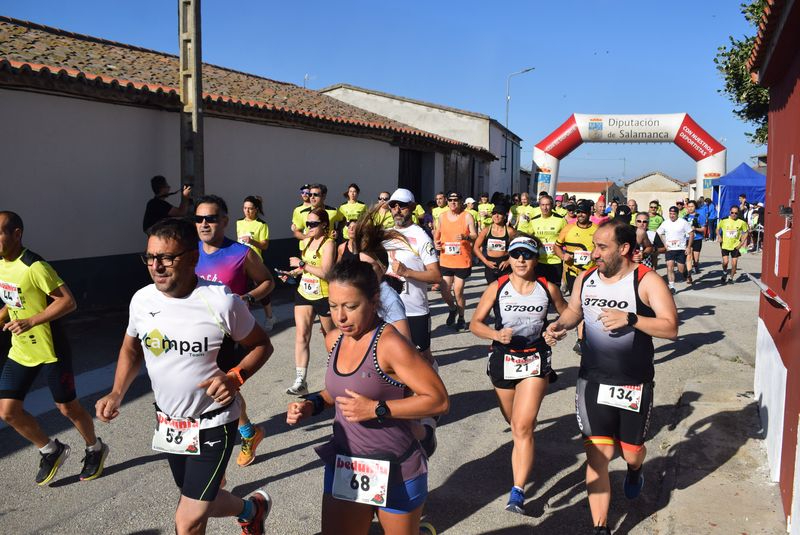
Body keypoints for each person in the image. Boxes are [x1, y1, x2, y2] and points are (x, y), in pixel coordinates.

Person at [96, 217, 273, 535]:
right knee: (200, 501)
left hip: (213, 422)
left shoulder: (221, 302)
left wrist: (235, 377)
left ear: (193, 258)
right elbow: (131, 349)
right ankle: (251, 509)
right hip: (170, 424)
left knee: (187, 520)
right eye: (150, 257)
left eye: (166, 257)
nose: (156, 266)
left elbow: (261, 345)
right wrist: (116, 392)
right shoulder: (142, 300)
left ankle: (248, 510)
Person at [286, 259, 449, 535]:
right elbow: (340, 392)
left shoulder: (390, 344)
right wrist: (312, 404)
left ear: (374, 301)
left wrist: (377, 409)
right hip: (348, 464)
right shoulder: (334, 340)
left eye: (350, 307)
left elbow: (439, 400)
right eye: (334, 306)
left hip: (396, 466)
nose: (340, 317)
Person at [544, 218, 678, 535]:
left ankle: (635, 469)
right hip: (592, 379)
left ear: (625, 248)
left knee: (631, 451)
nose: (594, 253)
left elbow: (671, 328)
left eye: (602, 247)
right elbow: (576, 309)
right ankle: (600, 527)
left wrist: (631, 318)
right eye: (594, 245)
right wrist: (560, 326)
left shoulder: (647, 281)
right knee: (598, 455)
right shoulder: (587, 279)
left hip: (633, 382)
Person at [0, 211, 108, 485]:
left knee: (67, 409)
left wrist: (31, 321)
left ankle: (95, 448)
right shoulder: (2, 263)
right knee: (8, 412)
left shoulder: (34, 266)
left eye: (0, 232)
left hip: (50, 349)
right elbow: (15, 301)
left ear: (16, 234)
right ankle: (50, 449)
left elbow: (68, 302)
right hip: (21, 350)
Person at [470, 236, 566, 514]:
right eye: (516, 255)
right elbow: (475, 323)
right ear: (509, 258)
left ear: (536, 258)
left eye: (527, 255)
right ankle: (523, 450)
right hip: (503, 359)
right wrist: (495, 334)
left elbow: (567, 317)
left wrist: (555, 330)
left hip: (535, 359)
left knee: (523, 426)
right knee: (514, 423)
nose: (521, 260)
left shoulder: (547, 287)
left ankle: (518, 491)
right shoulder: (497, 287)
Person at [195, 196, 275, 467]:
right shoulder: (188, 252)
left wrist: (248, 298)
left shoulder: (241, 253)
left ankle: (221, 453)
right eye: (199, 219)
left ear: (225, 221)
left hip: (229, 334)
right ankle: (247, 433)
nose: (204, 224)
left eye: (211, 218)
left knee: (221, 388)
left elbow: (267, 282)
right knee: (214, 389)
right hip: (194, 334)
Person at [284, 208, 336, 395]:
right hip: (304, 293)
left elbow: (327, 273)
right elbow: (304, 268)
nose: (309, 227)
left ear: (323, 224)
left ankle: (338, 375)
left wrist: (302, 264)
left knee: (331, 337)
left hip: (324, 295)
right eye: (308, 223)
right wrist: (291, 273)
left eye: (313, 224)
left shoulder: (329, 244)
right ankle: (300, 380)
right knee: (302, 335)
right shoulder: (306, 241)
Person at [435, 191, 477, 330]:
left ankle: (461, 317)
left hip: (462, 260)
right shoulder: (442, 216)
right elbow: (438, 233)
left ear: (461, 201)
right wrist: (436, 243)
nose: (453, 202)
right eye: (450, 200)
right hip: (446, 259)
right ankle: (452, 309)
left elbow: (474, 235)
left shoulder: (467, 216)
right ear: (447, 201)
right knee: (445, 290)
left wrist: (466, 237)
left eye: (456, 200)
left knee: (458, 291)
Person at [237, 195, 274, 331]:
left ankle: (270, 317)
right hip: (240, 262)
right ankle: (244, 321)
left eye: (250, 209)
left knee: (261, 291)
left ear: (256, 210)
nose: (247, 211)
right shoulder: (238, 222)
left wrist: (251, 241)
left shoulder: (261, 225)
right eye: (245, 208)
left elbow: (264, 246)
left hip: (256, 263)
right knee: (242, 292)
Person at [473, 203, 517, 284]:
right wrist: (485, 261)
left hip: (505, 265)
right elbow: (476, 247)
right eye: (494, 213)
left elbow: (517, 248)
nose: (496, 216)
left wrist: (509, 261)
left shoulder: (510, 231)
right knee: (492, 290)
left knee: (504, 291)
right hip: (490, 264)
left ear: (504, 216)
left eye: (499, 213)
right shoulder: (486, 230)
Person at [529, 195, 567, 286]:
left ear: (552, 205)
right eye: (542, 205)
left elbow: (567, 238)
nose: (545, 208)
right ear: (539, 206)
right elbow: (528, 239)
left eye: (547, 205)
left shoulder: (560, 220)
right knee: (540, 290)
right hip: (539, 261)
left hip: (555, 261)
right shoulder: (534, 221)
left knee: (555, 291)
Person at [657, 206, 695, 294]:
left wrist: (688, 247)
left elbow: (691, 233)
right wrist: (664, 244)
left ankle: (685, 272)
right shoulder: (665, 223)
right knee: (669, 267)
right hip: (669, 249)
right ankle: (672, 287)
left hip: (680, 248)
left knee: (680, 269)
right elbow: (659, 233)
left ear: (677, 214)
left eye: (674, 214)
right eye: (670, 213)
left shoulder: (683, 222)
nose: (672, 215)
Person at [717, 206, 749, 284]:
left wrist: (741, 243)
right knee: (725, 262)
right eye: (732, 213)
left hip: (735, 245)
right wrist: (719, 236)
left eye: (736, 213)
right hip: (725, 244)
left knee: (734, 263)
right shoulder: (724, 220)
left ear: (738, 213)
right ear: (729, 212)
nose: (734, 214)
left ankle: (731, 278)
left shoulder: (741, 222)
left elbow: (746, 232)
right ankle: (725, 273)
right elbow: (717, 229)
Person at [683, 200, 707, 275]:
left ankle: (696, 266)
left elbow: (703, 229)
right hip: (687, 239)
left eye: (692, 206)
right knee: (688, 256)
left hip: (697, 238)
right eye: (689, 206)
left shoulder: (700, 216)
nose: (690, 208)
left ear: (695, 207)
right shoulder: (685, 217)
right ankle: (689, 271)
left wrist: (695, 229)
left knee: (696, 259)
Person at [291, 184, 312, 249]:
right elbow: (296, 228)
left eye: (307, 193)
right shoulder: (297, 209)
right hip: (304, 245)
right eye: (302, 192)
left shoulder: (317, 207)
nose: (304, 194)